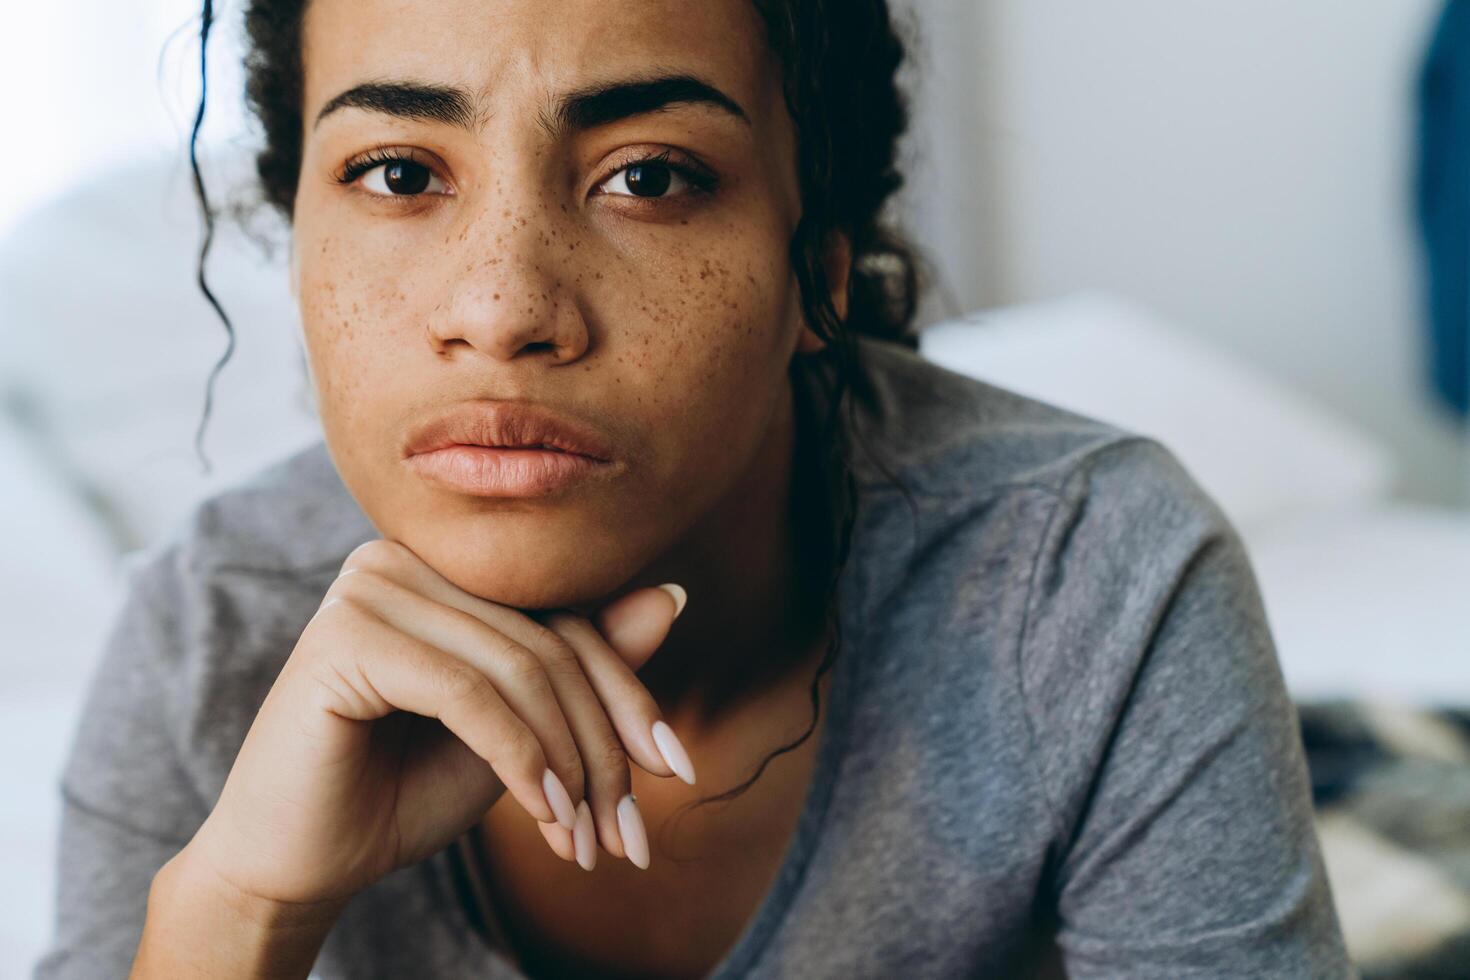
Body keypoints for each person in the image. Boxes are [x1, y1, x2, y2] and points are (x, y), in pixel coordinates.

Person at [34, 0, 1356, 977]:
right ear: (296, 244)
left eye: (648, 178)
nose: (503, 309)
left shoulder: (1086, 575)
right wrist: (243, 903)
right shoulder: (213, 632)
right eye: (397, 174)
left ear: (818, 272)